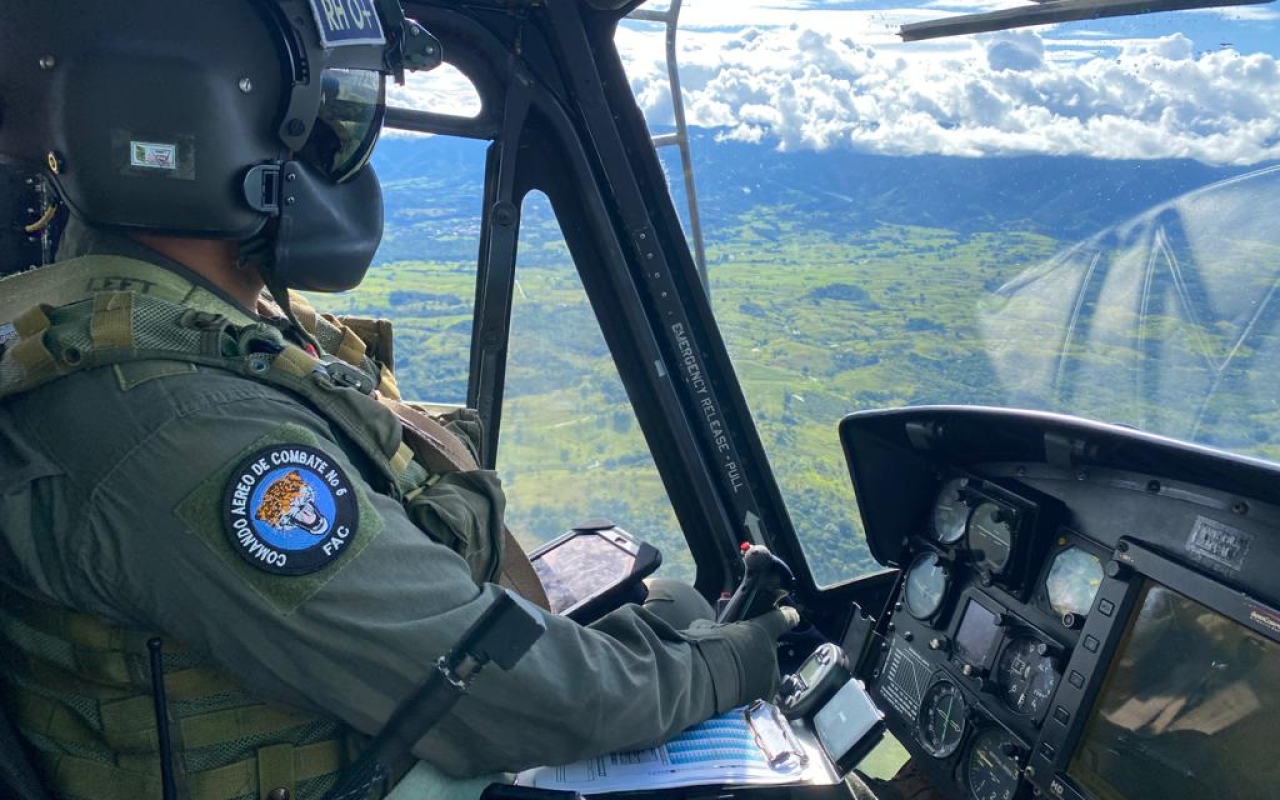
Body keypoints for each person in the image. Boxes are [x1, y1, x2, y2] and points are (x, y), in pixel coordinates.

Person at [0, 2, 797, 799]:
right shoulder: (182, 427)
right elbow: (505, 698)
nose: (342, 155)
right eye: (329, 121)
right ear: (210, 124)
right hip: (382, 752)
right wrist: (736, 661)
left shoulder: (174, 319)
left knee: (673, 605)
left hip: (356, 720)